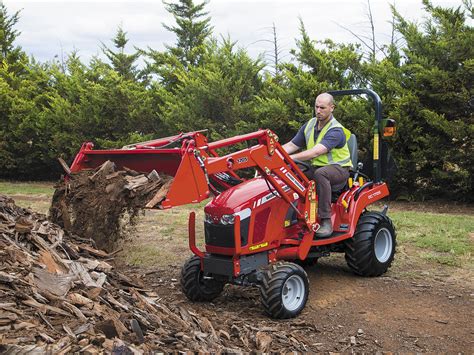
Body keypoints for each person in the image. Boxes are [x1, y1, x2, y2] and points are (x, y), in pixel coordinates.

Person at [282, 93, 352, 237]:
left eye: (322, 108)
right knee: (287, 170)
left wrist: (289, 158)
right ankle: (289, 216)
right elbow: (291, 145)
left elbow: (314, 152)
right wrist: (275, 154)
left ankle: (326, 221)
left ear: (332, 108)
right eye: (316, 107)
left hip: (339, 169)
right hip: (316, 167)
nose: (318, 111)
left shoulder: (336, 130)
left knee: (321, 174)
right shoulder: (309, 125)